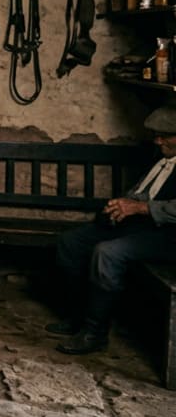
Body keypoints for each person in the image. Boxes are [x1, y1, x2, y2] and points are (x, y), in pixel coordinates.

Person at [46, 105, 176, 355]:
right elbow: (140, 192)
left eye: (165, 135)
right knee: (71, 242)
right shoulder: (160, 158)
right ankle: (79, 317)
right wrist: (119, 206)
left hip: (168, 236)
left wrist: (141, 208)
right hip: (139, 226)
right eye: (157, 134)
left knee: (108, 253)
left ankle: (95, 332)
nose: (157, 140)